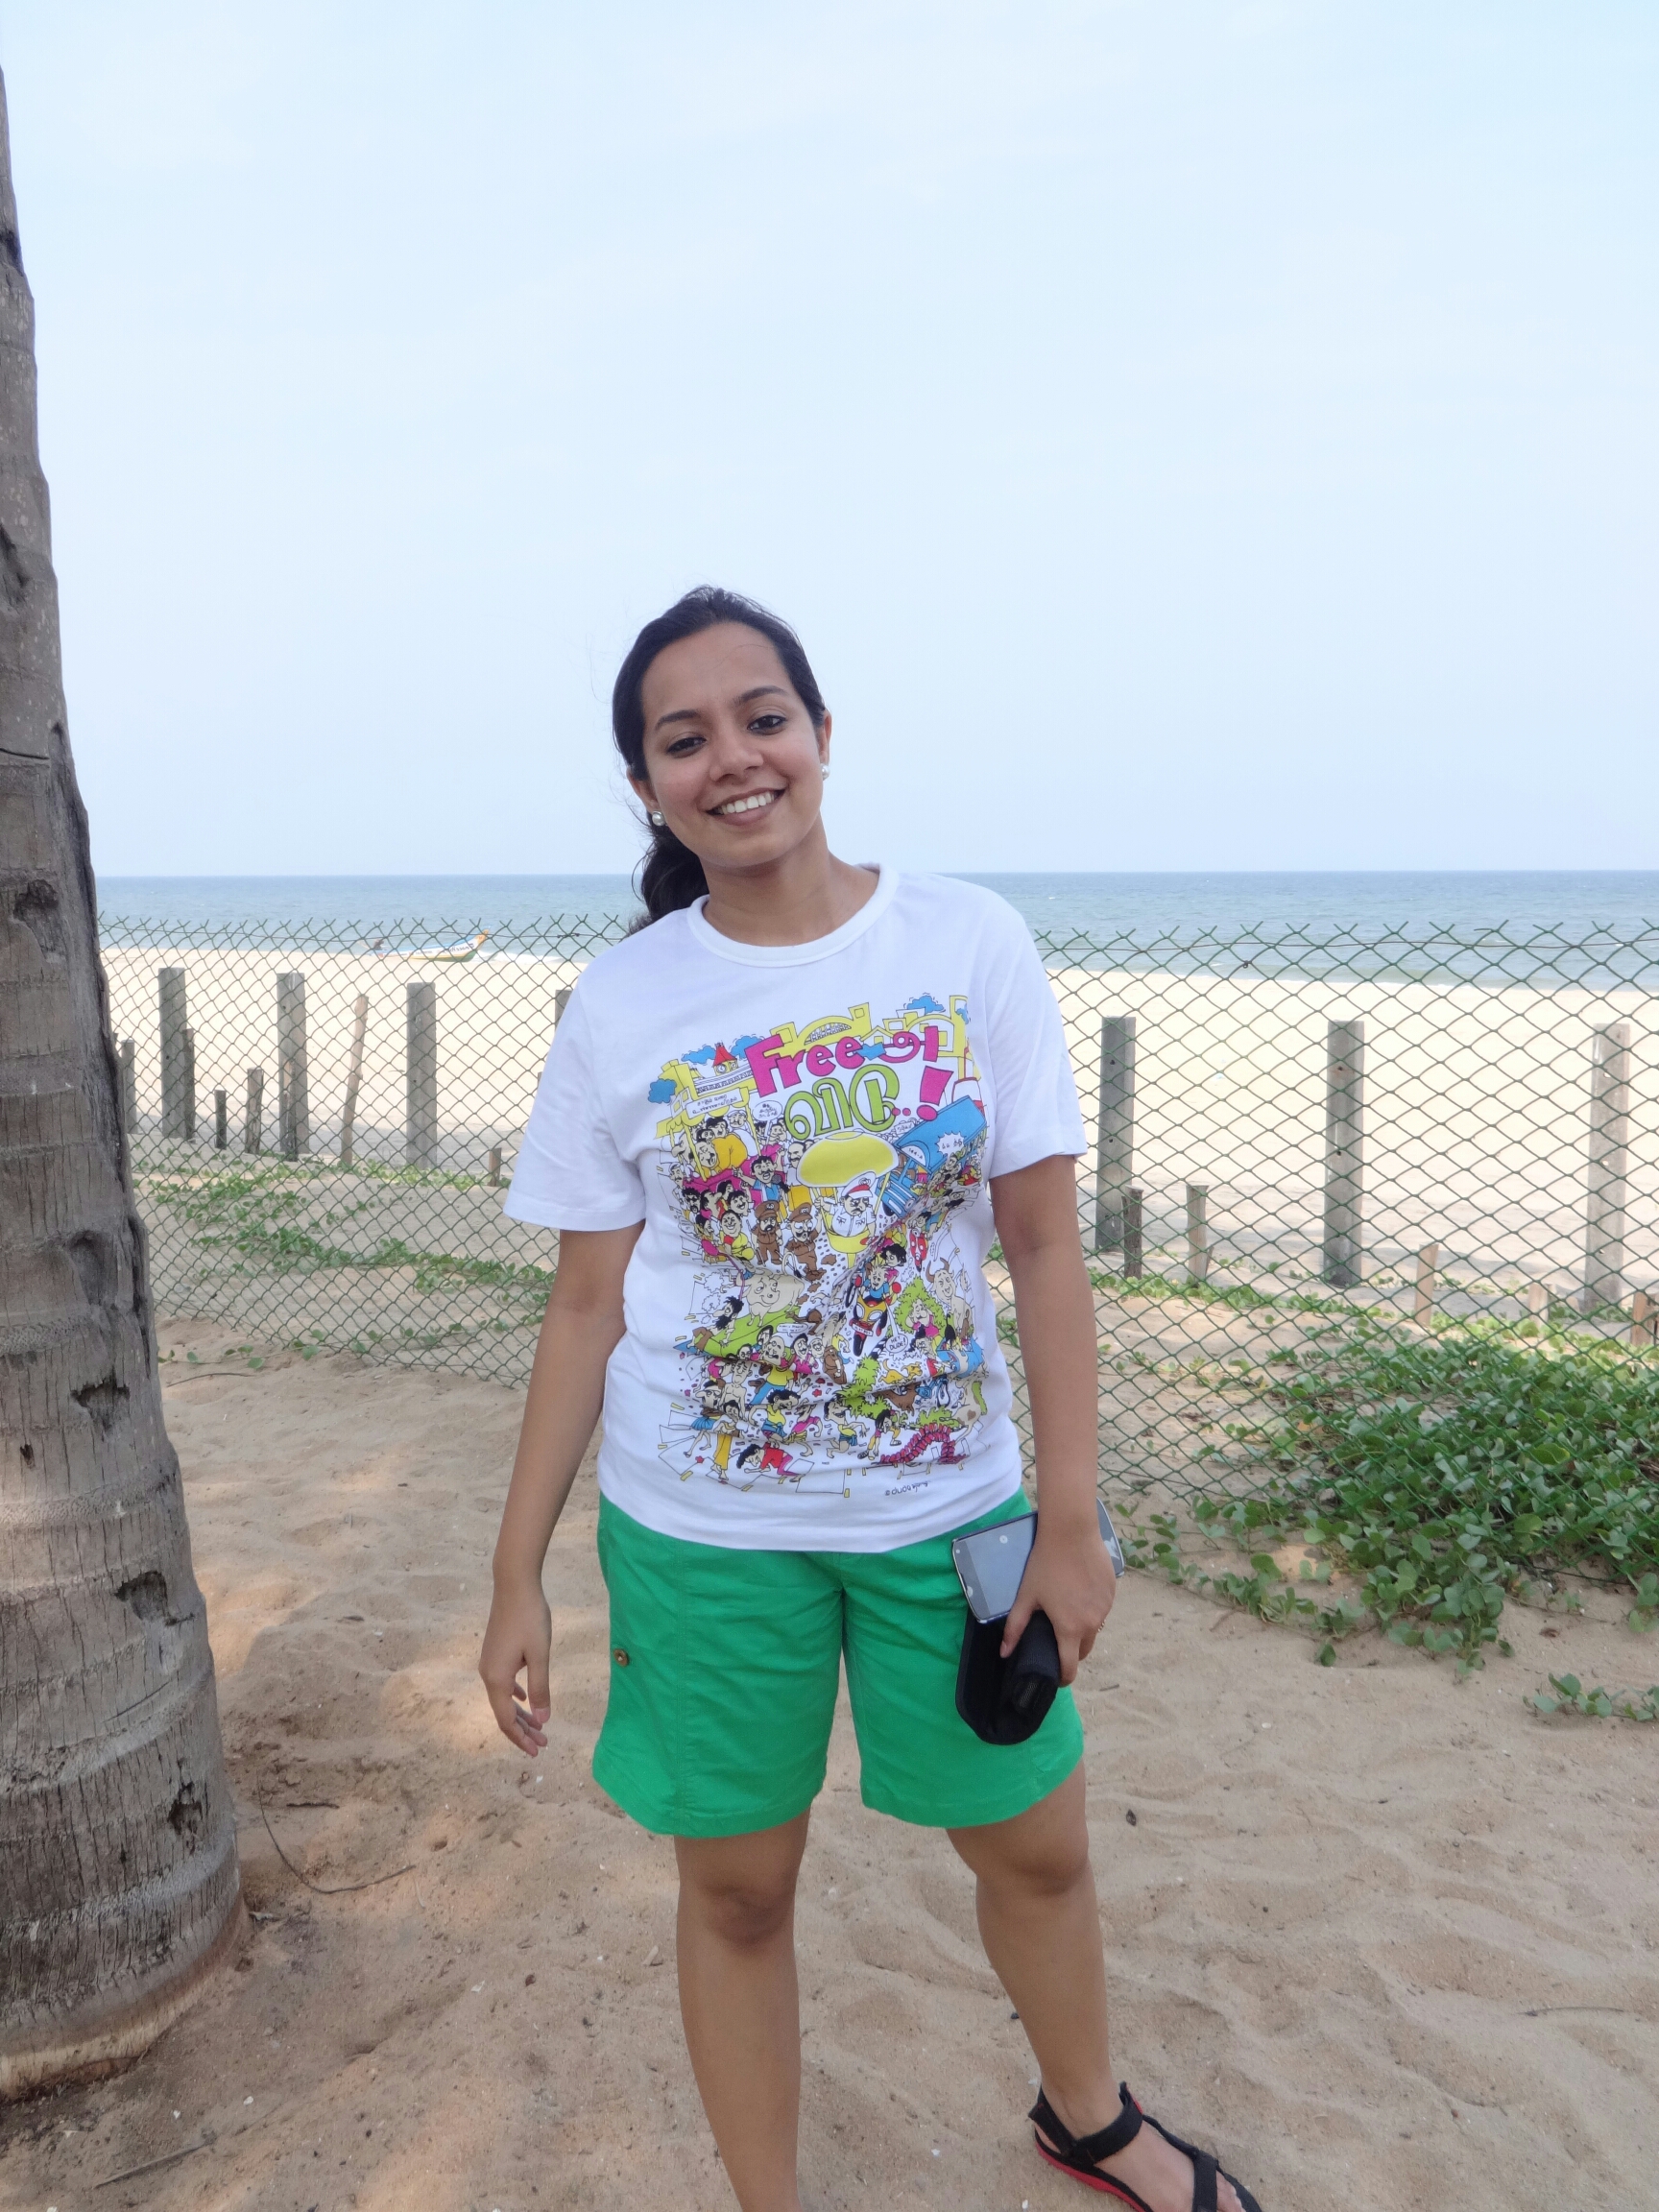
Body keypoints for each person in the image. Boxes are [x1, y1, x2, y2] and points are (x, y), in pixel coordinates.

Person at [479, 587, 1262, 2212]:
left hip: (950, 1511)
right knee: (740, 1891)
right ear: (646, 787)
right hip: (701, 1533)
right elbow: (584, 1306)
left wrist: (1070, 1518)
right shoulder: (622, 1004)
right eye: (683, 738)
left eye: (762, 717)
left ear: (823, 736)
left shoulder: (965, 942)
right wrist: (516, 1574)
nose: (732, 758)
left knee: (1035, 1843)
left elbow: (1043, 1246)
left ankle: (1089, 2118)